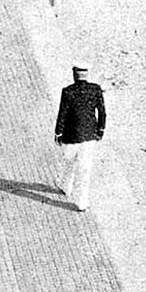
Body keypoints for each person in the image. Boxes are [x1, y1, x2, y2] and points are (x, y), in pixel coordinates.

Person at [54, 66, 106, 212]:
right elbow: (102, 112)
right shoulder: (95, 89)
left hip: (71, 136)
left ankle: (66, 187)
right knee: (84, 170)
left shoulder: (68, 91)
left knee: (69, 163)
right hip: (89, 136)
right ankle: (82, 203)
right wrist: (100, 130)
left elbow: (62, 114)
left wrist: (58, 133)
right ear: (86, 75)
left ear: (74, 75)